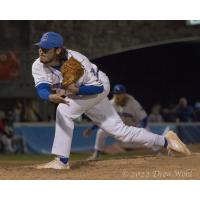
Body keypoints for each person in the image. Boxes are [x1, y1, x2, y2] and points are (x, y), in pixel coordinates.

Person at [32, 32, 191, 170]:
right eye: (40, 47)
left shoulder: (77, 62)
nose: (41, 51)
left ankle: (61, 161)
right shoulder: (38, 65)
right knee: (120, 132)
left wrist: (78, 90)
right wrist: (49, 96)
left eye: (46, 49)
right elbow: (42, 88)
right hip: (78, 94)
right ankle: (167, 141)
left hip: (96, 87)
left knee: (64, 110)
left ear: (58, 50)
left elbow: (98, 88)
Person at [83, 84, 149, 160]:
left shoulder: (133, 103)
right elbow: (103, 119)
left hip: (134, 130)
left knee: (148, 140)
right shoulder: (111, 104)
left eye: (119, 94)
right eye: (115, 93)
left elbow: (144, 118)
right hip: (121, 131)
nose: (117, 95)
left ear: (124, 94)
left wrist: (141, 129)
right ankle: (96, 155)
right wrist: (91, 129)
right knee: (101, 132)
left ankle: (158, 150)